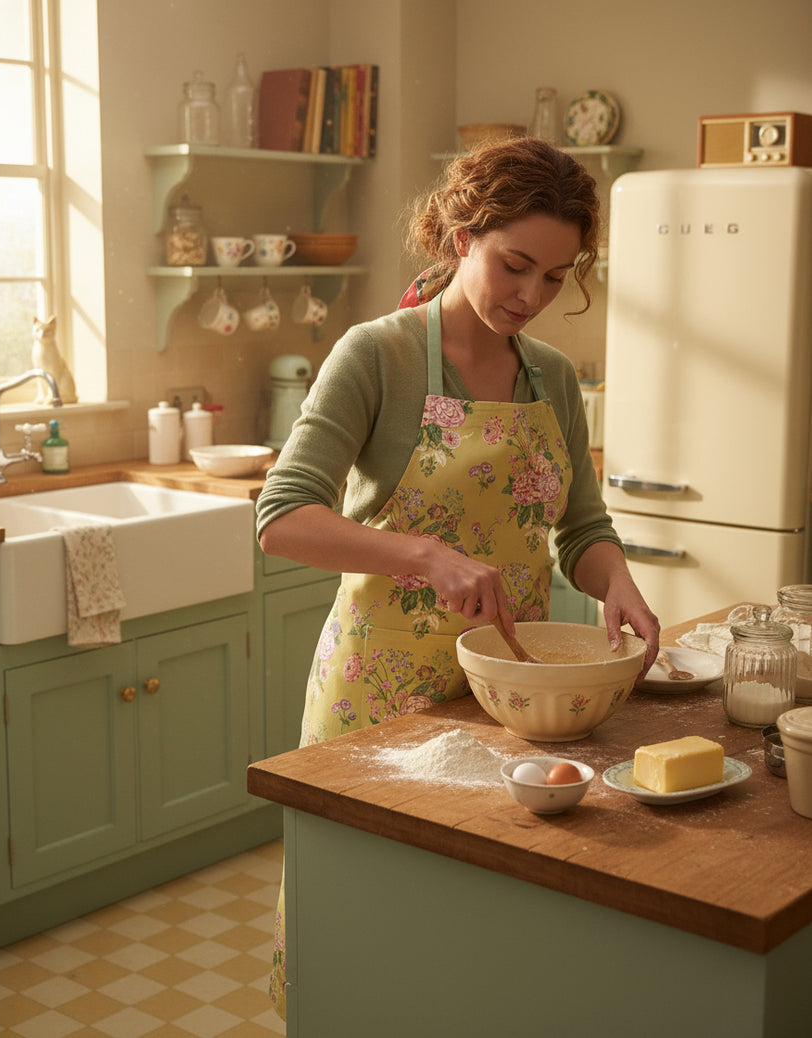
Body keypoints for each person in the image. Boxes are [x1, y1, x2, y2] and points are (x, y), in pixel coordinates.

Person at [256, 135, 660, 1017]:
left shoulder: (550, 378)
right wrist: (423, 554)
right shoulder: (380, 355)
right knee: (365, 924)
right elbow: (281, 517)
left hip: (508, 698)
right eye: (516, 265)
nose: (532, 296)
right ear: (456, 238)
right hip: (380, 701)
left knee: (469, 935)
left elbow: (580, 527)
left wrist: (615, 579)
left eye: (556, 277)